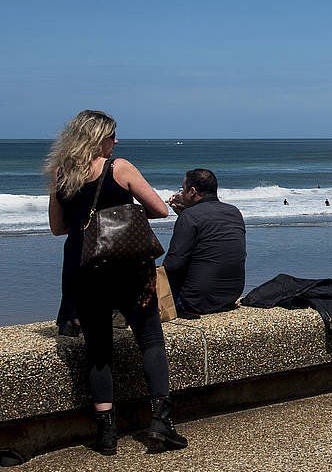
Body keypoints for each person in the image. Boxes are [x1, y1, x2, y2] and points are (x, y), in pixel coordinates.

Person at [45, 110, 187, 454]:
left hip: (84, 269)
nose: (116, 141)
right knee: (150, 338)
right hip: (128, 269)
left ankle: (106, 435)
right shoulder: (119, 168)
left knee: (98, 350)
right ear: (98, 138)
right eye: (112, 135)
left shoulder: (61, 173)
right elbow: (160, 209)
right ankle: (160, 424)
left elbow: (58, 228)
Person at [164, 169, 246, 318]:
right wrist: (184, 215)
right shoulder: (234, 212)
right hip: (230, 296)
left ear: (193, 191)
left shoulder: (190, 216)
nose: (181, 193)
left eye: (183, 189)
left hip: (195, 301)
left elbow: (173, 263)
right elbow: (212, 239)